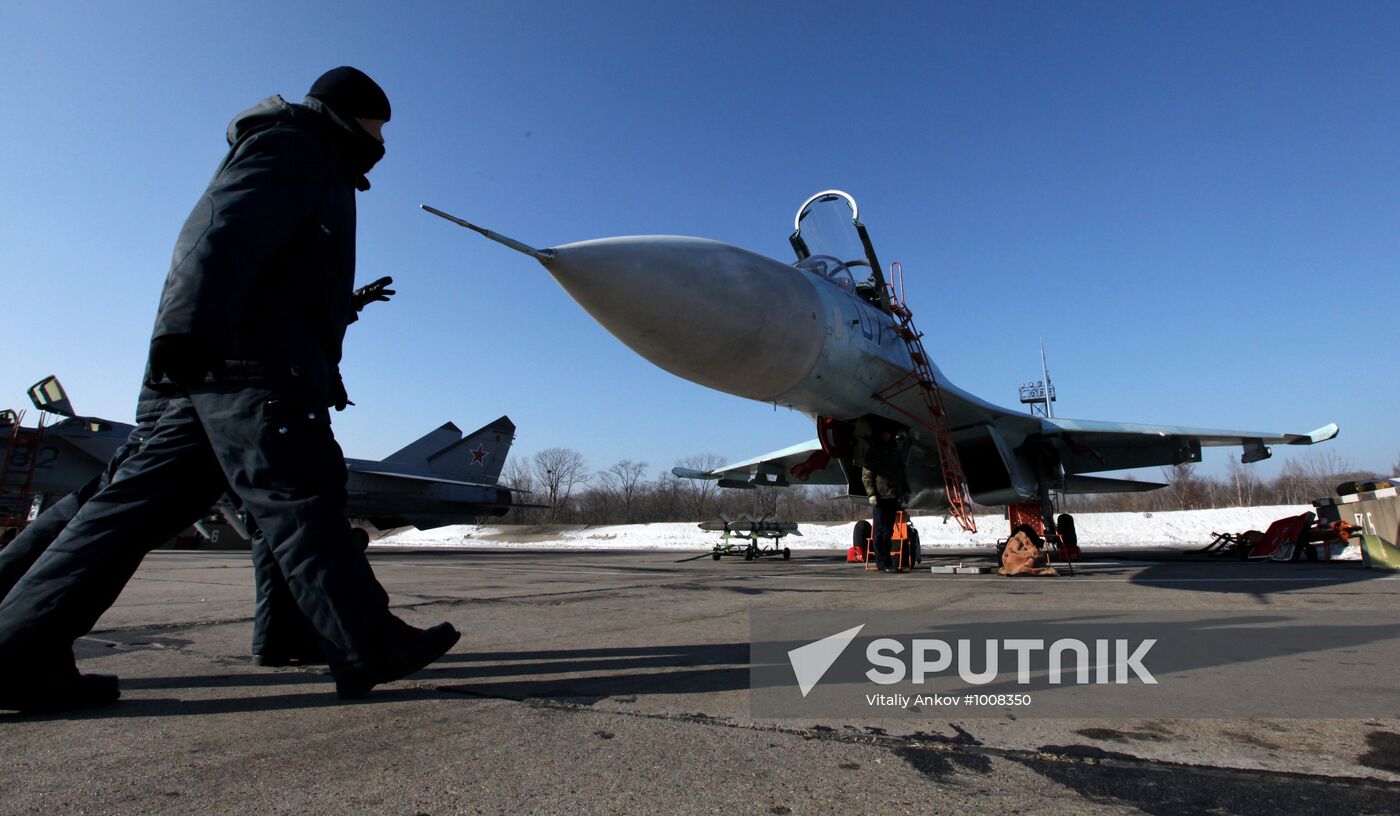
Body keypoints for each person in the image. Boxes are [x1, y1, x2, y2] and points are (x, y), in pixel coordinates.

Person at [0, 67, 456, 713]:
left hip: (238, 365)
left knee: (130, 511)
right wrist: (187, 332)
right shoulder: (293, 144)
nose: (383, 138)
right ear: (353, 113)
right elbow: (220, 232)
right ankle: (365, 640)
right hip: (245, 369)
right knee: (299, 494)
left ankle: (294, 634)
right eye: (379, 123)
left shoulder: (317, 161)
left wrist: (342, 309)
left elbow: (280, 277)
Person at [856, 418, 909, 573]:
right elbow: (866, 475)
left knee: (889, 532)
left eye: (888, 434)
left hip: (892, 496)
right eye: (884, 434)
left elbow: (901, 472)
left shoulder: (894, 451)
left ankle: (887, 562)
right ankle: (881, 562)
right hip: (880, 497)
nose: (886, 436)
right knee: (879, 532)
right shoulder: (873, 452)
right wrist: (871, 493)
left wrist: (905, 490)